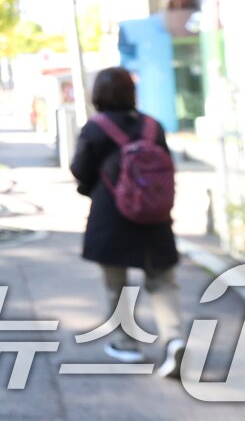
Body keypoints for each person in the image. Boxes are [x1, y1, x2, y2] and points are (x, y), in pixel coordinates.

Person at [70, 67, 186, 378]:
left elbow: (81, 170)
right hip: (154, 217)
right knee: (162, 281)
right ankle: (174, 338)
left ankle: (125, 344)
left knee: (116, 285)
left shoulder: (95, 128)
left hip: (112, 217)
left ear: (98, 94)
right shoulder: (152, 126)